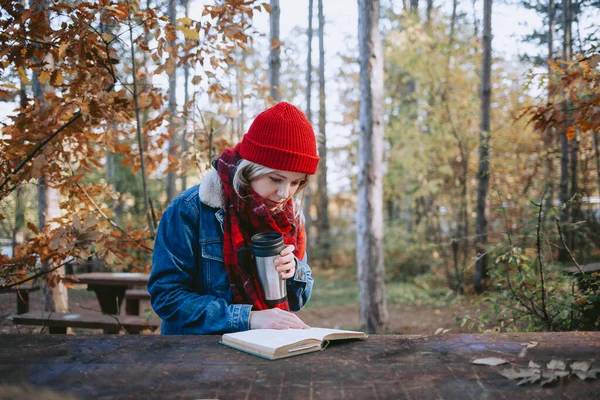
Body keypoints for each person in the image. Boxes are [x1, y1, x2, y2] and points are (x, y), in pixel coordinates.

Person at [148, 102, 319, 334]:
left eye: (295, 182)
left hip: (266, 352)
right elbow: (167, 296)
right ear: (250, 170)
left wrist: (294, 271)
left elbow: (298, 301)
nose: (284, 193)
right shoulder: (191, 211)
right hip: (196, 358)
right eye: (276, 179)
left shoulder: (291, 218)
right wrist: (249, 318)